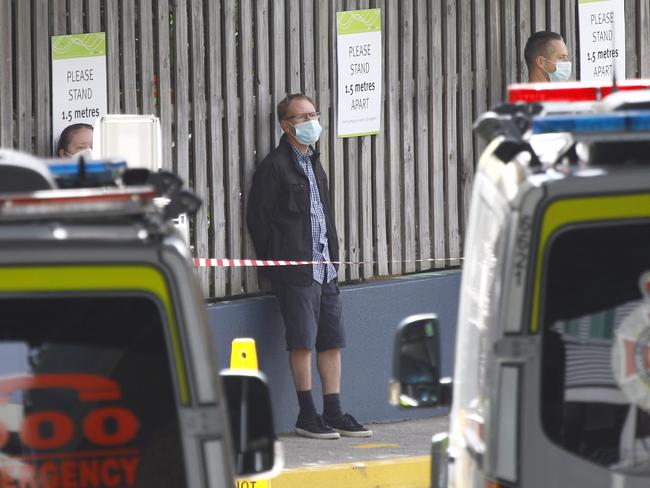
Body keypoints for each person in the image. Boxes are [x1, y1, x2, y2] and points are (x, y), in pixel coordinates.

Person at [247, 93, 372, 440]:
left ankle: (333, 410)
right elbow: (258, 220)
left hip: (324, 265)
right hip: (296, 269)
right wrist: (280, 261)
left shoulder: (314, 162)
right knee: (302, 340)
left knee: (331, 339)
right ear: (286, 126)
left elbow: (322, 213)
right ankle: (307, 414)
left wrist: (332, 254)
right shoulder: (274, 167)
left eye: (314, 114)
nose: (311, 122)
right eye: (302, 117)